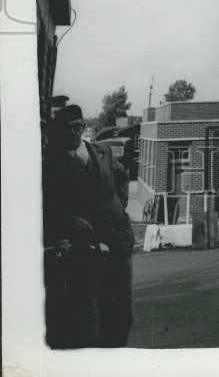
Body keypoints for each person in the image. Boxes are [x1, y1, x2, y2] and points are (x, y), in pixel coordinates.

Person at [43, 104, 135, 348]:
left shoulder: (102, 151)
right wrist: (69, 219)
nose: (73, 134)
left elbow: (122, 176)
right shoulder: (53, 163)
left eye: (77, 128)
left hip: (117, 240)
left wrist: (117, 207)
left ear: (83, 127)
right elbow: (49, 202)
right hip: (84, 249)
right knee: (89, 317)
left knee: (122, 313)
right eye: (67, 130)